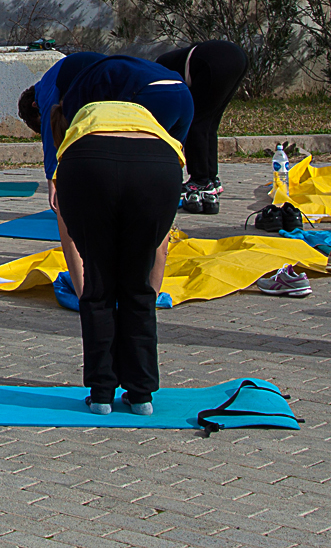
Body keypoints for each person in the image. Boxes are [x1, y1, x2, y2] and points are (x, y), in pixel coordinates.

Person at [51, 99, 185, 415]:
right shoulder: (151, 123)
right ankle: (141, 396)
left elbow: (69, 239)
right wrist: (147, 293)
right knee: (137, 289)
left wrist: (89, 293)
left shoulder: (75, 139)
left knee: (99, 288)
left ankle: (101, 395)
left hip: (88, 166)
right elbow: (161, 246)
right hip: (159, 166)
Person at [36, 53, 194, 292]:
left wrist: (82, 292)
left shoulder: (75, 107)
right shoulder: (87, 86)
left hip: (148, 96)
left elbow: (69, 220)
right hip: (182, 95)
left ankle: (92, 289)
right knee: (159, 192)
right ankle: (152, 292)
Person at [156, 41, 250, 215]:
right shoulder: (165, 64)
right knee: (210, 123)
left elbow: (174, 113)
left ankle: (199, 181)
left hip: (213, 61)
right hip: (237, 57)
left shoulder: (159, 72)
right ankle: (211, 178)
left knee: (196, 123)